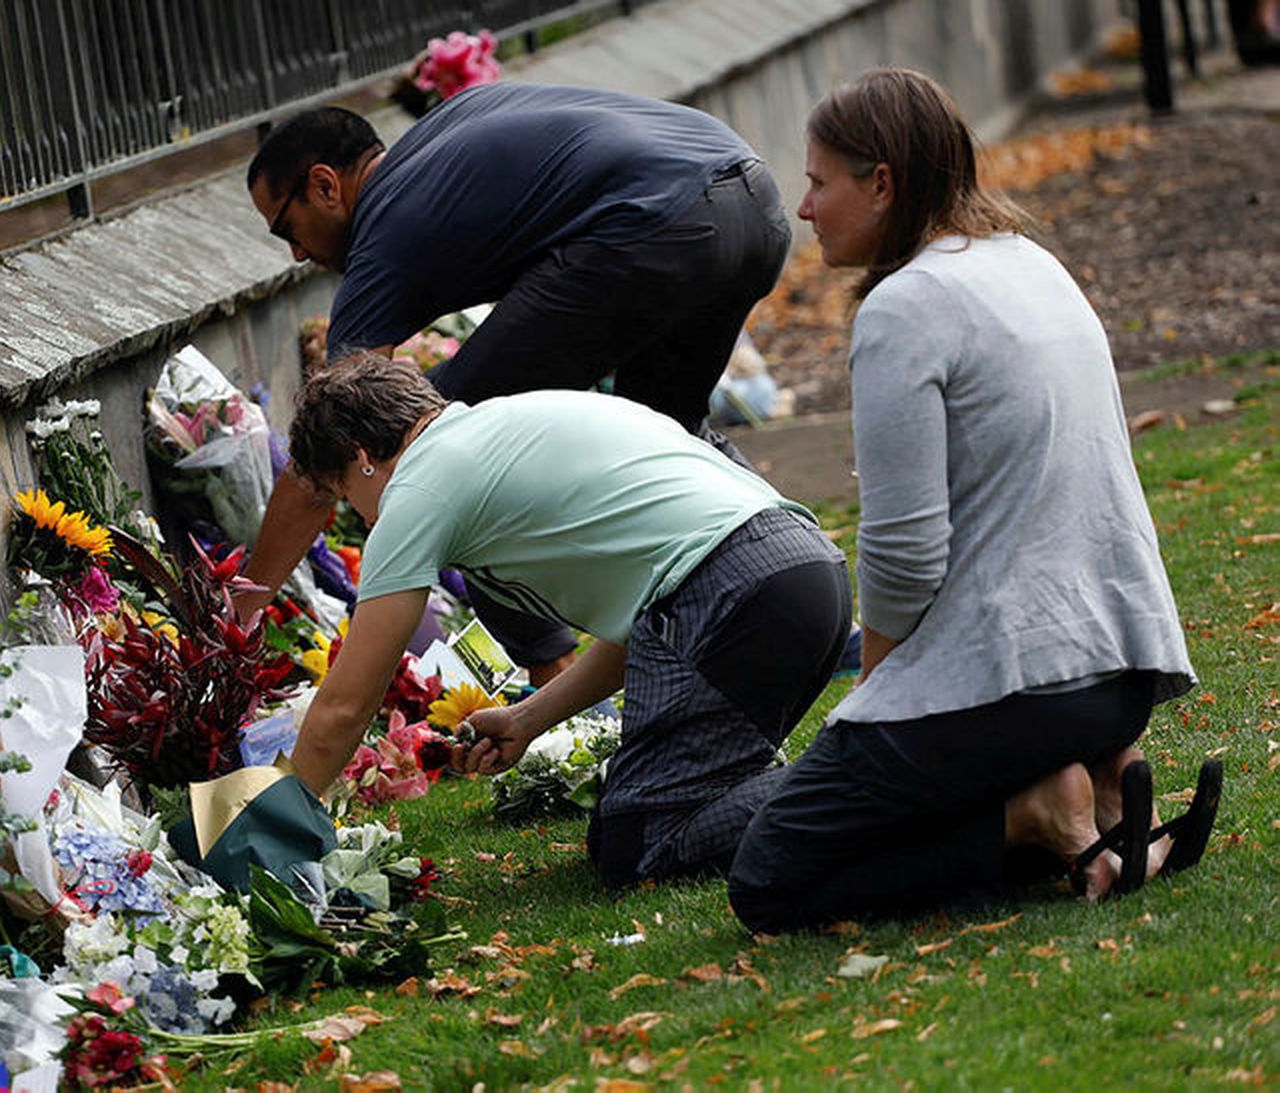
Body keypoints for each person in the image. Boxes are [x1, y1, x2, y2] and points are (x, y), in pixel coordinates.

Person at [720, 68, 1216, 935]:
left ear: (881, 185)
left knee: (769, 878)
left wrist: (875, 693)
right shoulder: (1031, 264)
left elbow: (907, 553)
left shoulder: (905, 308)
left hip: (1018, 688)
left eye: (817, 181)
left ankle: (1035, 814)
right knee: (899, 786)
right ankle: (1089, 788)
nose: (804, 208)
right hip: (1122, 671)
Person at [241, 83, 792, 684]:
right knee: (667, 436)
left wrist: (245, 600)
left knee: (441, 443)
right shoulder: (437, 144)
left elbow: (330, 435)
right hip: (751, 200)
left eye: (287, 228)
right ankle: (788, 588)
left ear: (325, 186)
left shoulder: (388, 224)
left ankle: (550, 669)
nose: (296, 254)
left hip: (655, 224)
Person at [285, 353, 851, 889]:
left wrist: (278, 829)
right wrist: (529, 718)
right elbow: (651, 619)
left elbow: (346, 704)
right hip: (807, 572)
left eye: (345, 495)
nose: (361, 516)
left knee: (641, 843)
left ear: (360, 455)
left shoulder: (417, 487)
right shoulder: (523, 418)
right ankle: (867, 773)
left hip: (734, 601)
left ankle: (875, 777)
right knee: (641, 816)